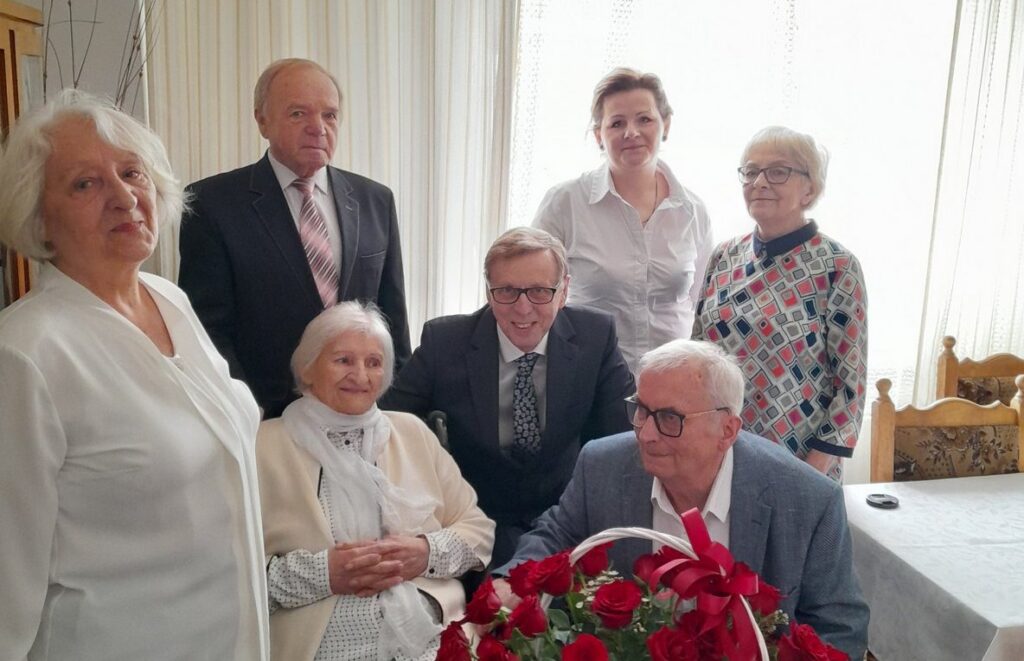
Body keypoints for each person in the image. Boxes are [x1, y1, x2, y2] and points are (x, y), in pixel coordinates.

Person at [0, 91, 268, 659]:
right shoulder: (25, 355)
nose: (124, 197)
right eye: (85, 183)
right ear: (39, 216)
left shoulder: (170, 300)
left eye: (131, 173)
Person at [494, 339, 869, 660]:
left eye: (669, 418)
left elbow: (840, 628)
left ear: (727, 430)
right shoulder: (602, 465)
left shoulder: (808, 500)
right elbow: (556, 537)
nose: (646, 434)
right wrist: (510, 584)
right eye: (641, 410)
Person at [381, 227, 634, 567]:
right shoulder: (445, 343)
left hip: (566, 516)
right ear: (488, 292)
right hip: (481, 519)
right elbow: (387, 424)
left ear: (563, 291)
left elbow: (623, 438)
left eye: (540, 291)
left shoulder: (595, 336)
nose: (523, 308)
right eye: (507, 291)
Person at [257, 301, 493, 660]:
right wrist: (325, 574)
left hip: (428, 636)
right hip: (320, 645)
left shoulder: (412, 432)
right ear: (307, 367)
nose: (361, 375)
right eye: (343, 360)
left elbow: (478, 530)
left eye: (373, 362)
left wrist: (425, 553)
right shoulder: (261, 446)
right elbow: (233, 577)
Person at [179, 57, 410, 419]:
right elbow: (206, 331)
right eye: (298, 113)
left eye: (330, 115)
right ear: (262, 120)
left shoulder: (375, 200)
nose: (318, 128)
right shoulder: (212, 204)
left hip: (362, 416)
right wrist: (249, 413)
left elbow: (391, 317)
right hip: (266, 418)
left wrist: (394, 410)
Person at [692, 126, 867, 481]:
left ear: (809, 189)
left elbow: (851, 387)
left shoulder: (837, 266)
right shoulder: (723, 256)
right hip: (716, 455)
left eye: (777, 172)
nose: (759, 182)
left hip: (798, 463)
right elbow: (697, 357)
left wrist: (810, 473)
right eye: (750, 171)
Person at [533, 67, 714, 373]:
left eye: (644, 119)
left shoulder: (693, 211)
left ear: (666, 124)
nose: (631, 132)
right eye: (617, 123)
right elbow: (533, 295)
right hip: (588, 375)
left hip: (672, 379)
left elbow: (703, 306)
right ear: (598, 136)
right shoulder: (564, 203)